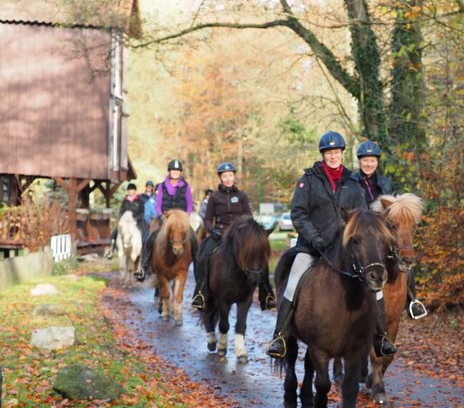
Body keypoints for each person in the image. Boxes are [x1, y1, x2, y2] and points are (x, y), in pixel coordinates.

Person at [266, 131, 397, 359]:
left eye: (336, 152)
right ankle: (280, 336)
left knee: (374, 281)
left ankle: (381, 337)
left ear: (342, 154)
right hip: (312, 246)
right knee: (294, 279)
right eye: (329, 153)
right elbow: (298, 213)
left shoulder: (353, 183)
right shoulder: (309, 180)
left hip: (346, 250)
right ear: (323, 154)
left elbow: (363, 216)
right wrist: (314, 238)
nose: (333, 156)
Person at [354, 140, 428, 320]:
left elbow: (393, 208)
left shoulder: (385, 183)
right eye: (365, 160)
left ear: (377, 162)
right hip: (363, 231)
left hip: (383, 232)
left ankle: (412, 301)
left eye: (372, 160)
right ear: (360, 162)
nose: (369, 164)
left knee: (404, 258)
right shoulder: (352, 182)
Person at [191, 163, 253, 309]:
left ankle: (266, 294)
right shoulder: (214, 196)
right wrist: (213, 231)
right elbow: (207, 219)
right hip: (220, 234)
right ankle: (200, 294)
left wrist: (248, 231)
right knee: (203, 258)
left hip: (239, 235)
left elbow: (249, 217)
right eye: (224, 176)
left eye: (230, 176)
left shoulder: (242, 195)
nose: (228, 179)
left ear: (234, 177)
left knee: (257, 256)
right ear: (220, 178)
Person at [134, 160, 195, 282]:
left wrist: (186, 215)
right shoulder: (162, 186)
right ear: (169, 172)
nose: (175, 173)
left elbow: (189, 204)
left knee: (195, 240)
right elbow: (158, 204)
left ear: (180, 172)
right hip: (165, 218)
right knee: (149, 237)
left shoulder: (186, 186)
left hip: (180, 220)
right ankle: (144, 267)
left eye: (177, 171)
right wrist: (162, 215)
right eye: (173, 170)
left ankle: (199, 269)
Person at [105, 183, 145, 258]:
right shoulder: (125, 200)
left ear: (134, 191)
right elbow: (121, 211)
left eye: (131, 190)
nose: (130, 191)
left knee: (144, 232)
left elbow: (142, 212)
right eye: (129, 190)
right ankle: (111, 250)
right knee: (115, 231)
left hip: (136, 221)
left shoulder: (140, 201)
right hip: (125, 222)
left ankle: (144, 251)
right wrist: (121, 219)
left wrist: (136, 218)